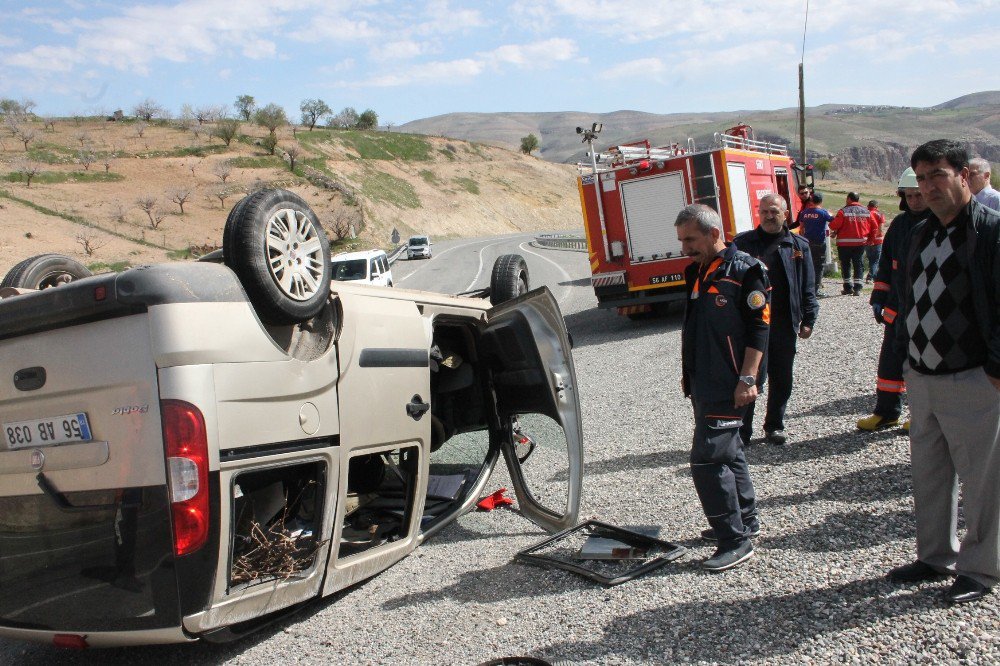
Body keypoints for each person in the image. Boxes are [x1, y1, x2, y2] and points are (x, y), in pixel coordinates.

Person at [887, 139, 1000, 605]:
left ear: (964, 175)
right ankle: (935, 556)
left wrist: (995, 368)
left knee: (982, 480)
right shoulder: (921, 231)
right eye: (921, 178)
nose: (928, 186)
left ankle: (982, 569)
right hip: (924, 376)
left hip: (973, 376)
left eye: (937, 175)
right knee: (929, 475)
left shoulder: (991, 231)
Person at [676, 203, 769, 572]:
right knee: (730, 453)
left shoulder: (747, 271)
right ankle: (745, 522)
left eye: (691, 239)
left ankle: (734, 540)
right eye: (681, 240)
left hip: (732, 382)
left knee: (707, 458)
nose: (685, 247)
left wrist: (748, 378)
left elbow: (761, 328)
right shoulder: (697, 271)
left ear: (715, 233)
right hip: (704, 381)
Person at [733, 194, 818, 445]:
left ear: (786, 214)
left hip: (784, 324)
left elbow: (808, 286)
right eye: (765, 212)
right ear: (758, 214)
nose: (769, 216)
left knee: (782, 377)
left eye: (774, 212)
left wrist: (809, 318)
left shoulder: (798, 246)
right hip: (752, 327)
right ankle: (742, 431)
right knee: (751, 377)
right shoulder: (742, 244)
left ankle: (774, 426)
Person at [859, 168, 930, 431]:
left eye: (918, 195)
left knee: (922, 367)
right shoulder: (900, 225)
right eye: (908, 196)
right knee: (889, 362)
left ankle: (922, 417)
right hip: (897, 308)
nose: (913, 201)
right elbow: (886, 265)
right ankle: (886, 412)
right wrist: (878, 296)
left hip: (927, 309)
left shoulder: (939, 223)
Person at [829, 192, 878, 295]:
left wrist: (831, 221)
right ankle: (858, 288)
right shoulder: (866, 211)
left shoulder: (843, 211)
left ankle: (847, 288)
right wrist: (870, 239)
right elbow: (874, 227)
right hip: (860, 243)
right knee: (858, 264)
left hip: (844, 244)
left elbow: (834, 225)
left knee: (846, 265)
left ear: (849, 199)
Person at [794, 190, 834, 297]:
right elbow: (833, 221)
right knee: (819, 267)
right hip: (820, 243)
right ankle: (816, 290)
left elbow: (801, 228)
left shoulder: (804, 213)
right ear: (820, 201)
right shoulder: (823, 213)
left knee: (808, 265)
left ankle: (806, 288)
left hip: (807, 243)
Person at [865, 200, 886, 283]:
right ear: (877, 207)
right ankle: (870, 277)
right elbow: (880, 229)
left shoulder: (865, 213)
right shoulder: (880, 214)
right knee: (876, 260)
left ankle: (875, 276)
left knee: (871, 259)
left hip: (867, 240)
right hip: (877, 241)